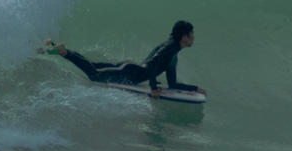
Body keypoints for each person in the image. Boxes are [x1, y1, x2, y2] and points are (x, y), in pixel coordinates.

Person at [39, 20, 203, 97]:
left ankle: (56, 47)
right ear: (184, 37)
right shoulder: (170, 48)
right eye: (191, 35)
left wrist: (194, 88)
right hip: (129, 73)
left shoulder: (172, 51)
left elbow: (172, 83)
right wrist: (153, 87)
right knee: (94, 73)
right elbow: (152, 65)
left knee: (93, 66)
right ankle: (62, 51)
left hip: (130, 70)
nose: (193, 38)